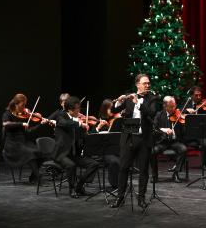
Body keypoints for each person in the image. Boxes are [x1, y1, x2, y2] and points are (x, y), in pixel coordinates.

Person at [110, 74, 161, 208]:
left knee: (143, 169)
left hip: (144, 137)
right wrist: (120, 101)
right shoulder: (129, 97)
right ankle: (120, 197)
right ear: (137, 85)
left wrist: (138, 102)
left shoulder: (152, 98)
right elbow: (113, 110)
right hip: (129, 135)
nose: (147, 85)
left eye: (148, 83)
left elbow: (151, 113)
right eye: (145, 83)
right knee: (123, 167)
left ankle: (141, 199)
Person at [53, 96, 101, 198]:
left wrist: (94, 130)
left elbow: (84, 136)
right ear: (70, 110)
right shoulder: (61, 115)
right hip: (62, 154)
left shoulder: (76, 120)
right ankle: (72, 189)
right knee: (71, 165)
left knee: (94, 164)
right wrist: (80, 123)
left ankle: (79, 185)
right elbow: (65, 123)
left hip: (74, 153)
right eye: (77, 108)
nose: (79, 110)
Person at [1, 94, 48, 183]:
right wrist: (21, 124)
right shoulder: (7, 114)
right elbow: (5, 124)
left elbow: (29, 131)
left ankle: (33, 177)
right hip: (12, 145)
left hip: (23, 142)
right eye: (22, 105)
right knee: (30, 154)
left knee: (40, 152)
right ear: (16, 104)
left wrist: (41, 124)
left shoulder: (22, 115)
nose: (24, 108)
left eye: (25, 105)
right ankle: (38, 177)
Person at [153, 96, 187, 182]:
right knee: (152, 151)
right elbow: (154, 128)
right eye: (171, 106)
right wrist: (163, 129)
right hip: (162, 142)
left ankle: (176, 173)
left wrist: (184, 123)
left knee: (183, 149)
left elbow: (184, 132)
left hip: (175, 142)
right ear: (165, 106)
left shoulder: (178, 115)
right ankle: (154, 175)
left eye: (174, 106)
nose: (173, 108)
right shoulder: (159, 115)